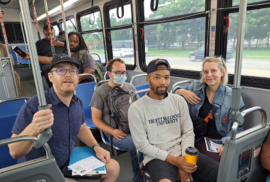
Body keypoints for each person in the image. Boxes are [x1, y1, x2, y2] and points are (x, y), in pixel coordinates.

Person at [8, 55, 120, 182]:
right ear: (50, 77)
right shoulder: (35, 105)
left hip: (67, 160)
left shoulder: (77, 102)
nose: (68, 74)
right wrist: (33, 128)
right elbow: (14, 151)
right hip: (40, 168)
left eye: (72, 71)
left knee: (113, 168)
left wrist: (96, 146)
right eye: (60, 70)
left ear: (77, 78)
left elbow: (81, 127)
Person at [128, 58, 219, 182]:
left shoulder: (178, 101)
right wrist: (176, 162)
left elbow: (188, 132)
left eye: (166, 77)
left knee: (221, 173)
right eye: (157, 77)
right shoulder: (136, 108)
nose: (163, 82)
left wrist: (184, 162)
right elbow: (142, 145)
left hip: (183, 152)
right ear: (148, 78)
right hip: (157, 157)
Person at [173, 56, 245, 162]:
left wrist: (228, 145)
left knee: (228, 162)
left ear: (222, 72)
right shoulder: (196, 87)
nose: (209, 75)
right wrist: (181, 91)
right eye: (206, 72)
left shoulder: (233, 97)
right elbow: (173, 91)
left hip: (221, 139)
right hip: (197, 137)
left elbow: (237, 127)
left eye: (213, 71)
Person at [90, 58, 140, 182]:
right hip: (115, 132)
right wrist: (112, 131)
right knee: (137, 146)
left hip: (134, 127)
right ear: (109, 73)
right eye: (117, 72)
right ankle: (138, 178)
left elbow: (140, 108)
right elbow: (95, 119)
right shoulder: (100, 92)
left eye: (123, 72)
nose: (121, 75)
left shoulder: (130, 87)